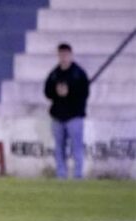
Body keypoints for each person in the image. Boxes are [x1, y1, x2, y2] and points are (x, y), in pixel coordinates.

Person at [44, 43, 89, 180]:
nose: (63, 58)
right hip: (58, 116)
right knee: (59, 148)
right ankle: (61, 174)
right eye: (61, 55)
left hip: (74, 116)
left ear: (71, 55)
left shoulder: (78, 74)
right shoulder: (54, 74)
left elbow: (85, 93)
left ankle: (78, 174)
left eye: (66, 55)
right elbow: (47, 92)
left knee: (76, 147)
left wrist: (69, 92)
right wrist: (56, 92)